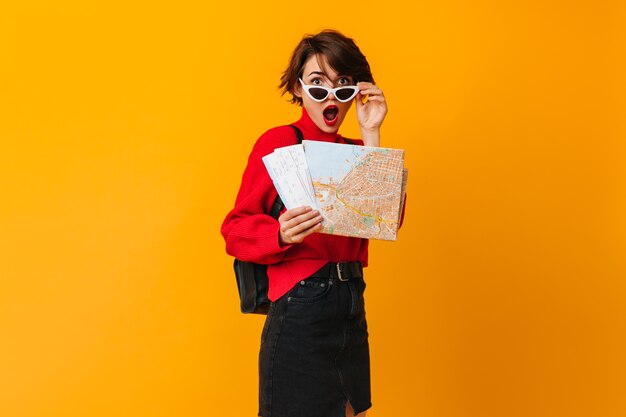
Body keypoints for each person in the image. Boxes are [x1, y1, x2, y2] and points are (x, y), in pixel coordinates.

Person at [221, 29, 391, 417]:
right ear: (298, 90)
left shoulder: (358, 150)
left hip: (351, 304)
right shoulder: (279, 142)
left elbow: (383, 219)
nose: (330, 96)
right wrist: (278, 233)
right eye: (317, 85)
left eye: (343, 86)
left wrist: (371, 133)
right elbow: (235, 228)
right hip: (301, 306)